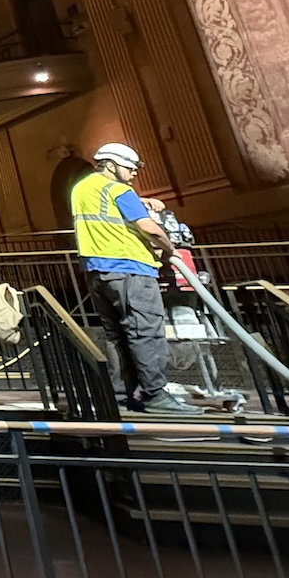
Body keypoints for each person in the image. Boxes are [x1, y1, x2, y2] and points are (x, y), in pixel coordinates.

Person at [70, 143, 201, 415]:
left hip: (98, 272)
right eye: (129, 168)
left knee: (116, 337)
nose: (133, 174)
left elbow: (105, 207)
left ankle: (121, 396)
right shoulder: (120, 190)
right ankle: (155, 394)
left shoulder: (80, 188)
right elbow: (148, 228)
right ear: (111, 165)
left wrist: (142, 201)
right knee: (146, 332)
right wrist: (170, 248)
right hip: (131, 270)